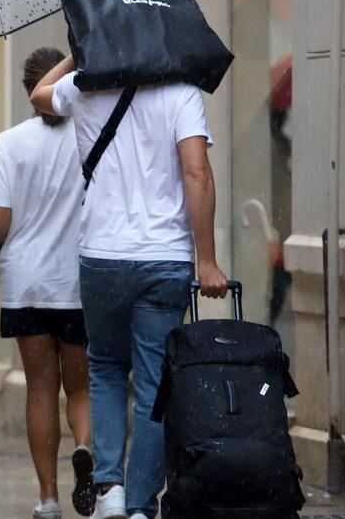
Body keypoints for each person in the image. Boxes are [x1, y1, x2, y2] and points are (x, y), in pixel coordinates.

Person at [30, 54, 227, 519]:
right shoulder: (182, 92)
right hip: (165, 258)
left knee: (106, 370)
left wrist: (77, 53)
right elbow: (196, 172)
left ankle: (110, 491)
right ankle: (141, 506)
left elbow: (39, 95)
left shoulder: (85, 83)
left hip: (103, 257)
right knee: (156, 383)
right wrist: (208, 259)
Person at [0, 48, 94, 518]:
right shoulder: (88, 135)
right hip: (78, 280)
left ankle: (48, 497)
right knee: (82, 387)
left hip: (28, 283)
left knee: (41, 389)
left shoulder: (9, 143)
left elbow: (0, 220)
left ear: (29, 91)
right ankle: (85, 448)